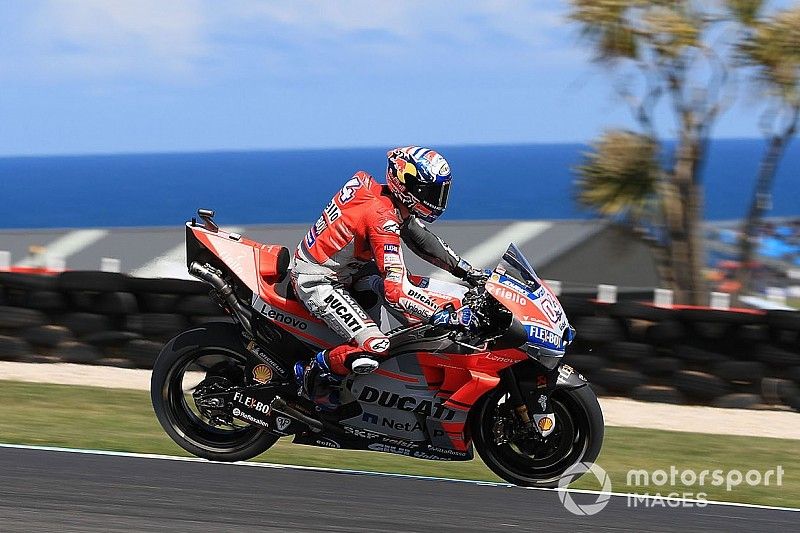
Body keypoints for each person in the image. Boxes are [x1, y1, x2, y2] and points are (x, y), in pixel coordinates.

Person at [291, 146, 486, 407]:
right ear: (404, 184)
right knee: (377, 346)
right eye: (428, 191)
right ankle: (312, 372)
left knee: (413, 315)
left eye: (440, 191)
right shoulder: (381, 218)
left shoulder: (384, 199)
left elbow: (422, 240)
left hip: (350, 272)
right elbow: (397, 290)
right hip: (320, 281)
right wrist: (441, 316)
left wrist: (469, 273)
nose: (436, 199)